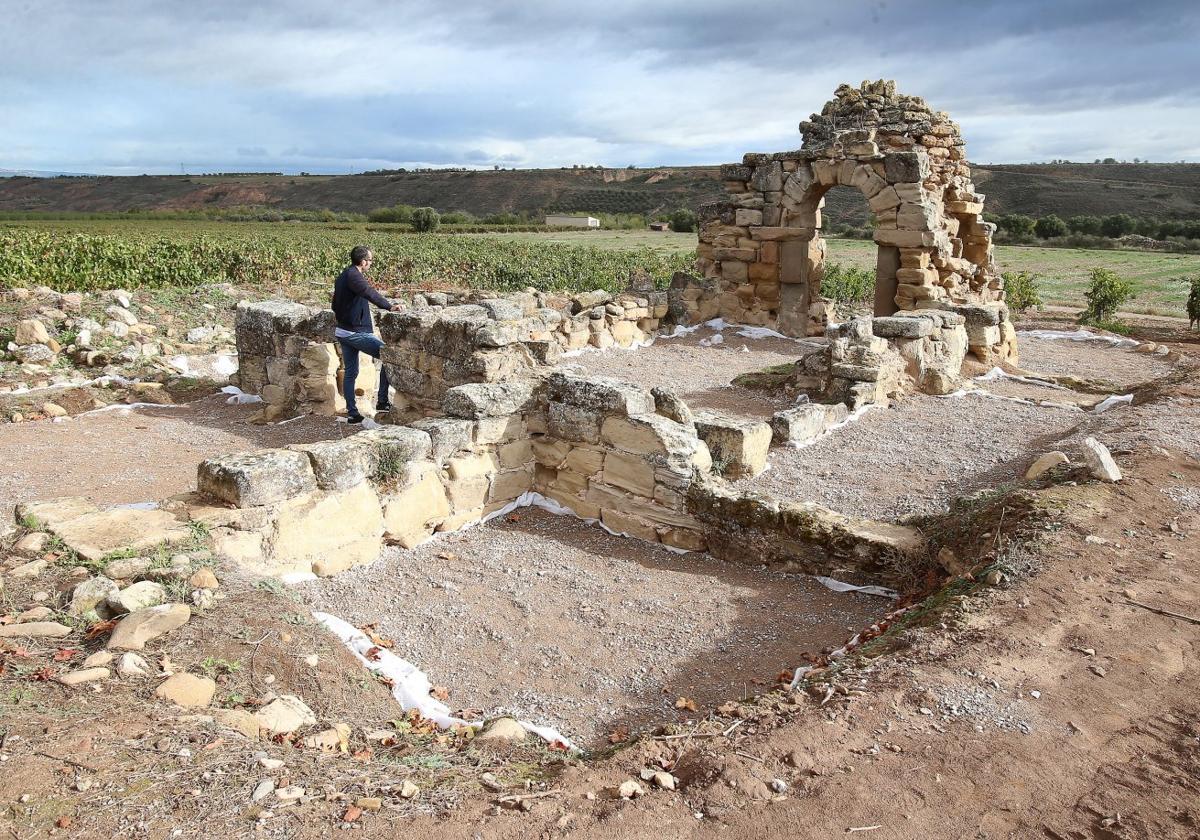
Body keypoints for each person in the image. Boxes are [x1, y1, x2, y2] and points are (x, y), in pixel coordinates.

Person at [331, 245, 393, 423]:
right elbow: (369, 293)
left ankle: (352, 413)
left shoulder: (343, 275)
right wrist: (389, 306)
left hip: (343, 331)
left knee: (351, 372)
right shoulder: (354, 276)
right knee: (389, 357)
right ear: (363, 261)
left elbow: (334, 304)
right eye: (370, 260)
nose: (371, 263)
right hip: (355, 332)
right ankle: (382, 401)